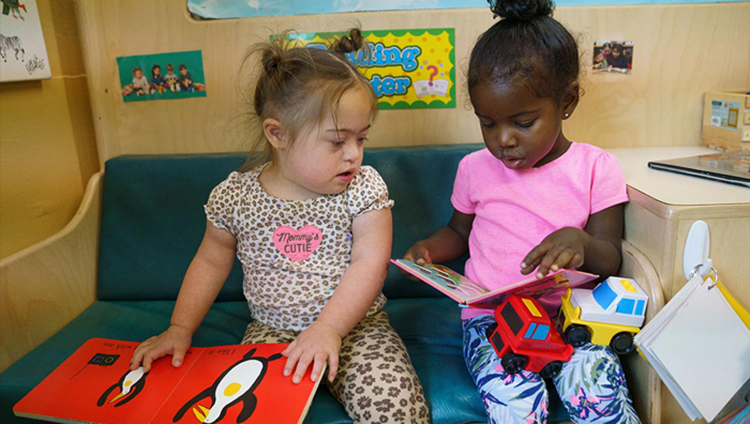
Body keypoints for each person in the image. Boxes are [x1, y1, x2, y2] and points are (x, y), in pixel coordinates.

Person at [130, 28, 429, 424]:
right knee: (243, 414)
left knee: (397, 409)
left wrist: (329, 328)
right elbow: (210, 261)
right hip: (274, 332)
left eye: (361, 139)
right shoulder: (235, 196)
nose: (354, 155)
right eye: (338, 142)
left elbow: (369, 264)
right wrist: (179, 327)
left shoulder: (364, 189)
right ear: (278, 134)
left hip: (359, 328)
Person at [401, 1, 639, 423]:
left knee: (596, 390)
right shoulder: (474, 169)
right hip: (489, 319)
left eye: (523, 122)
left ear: (566, 102)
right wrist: (429, 251)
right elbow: (458, 231)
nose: (503, 139)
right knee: (515, 403)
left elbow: (610, 257)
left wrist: (581, 241)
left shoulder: (596, 168)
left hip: (571, 315)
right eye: (488, 123)